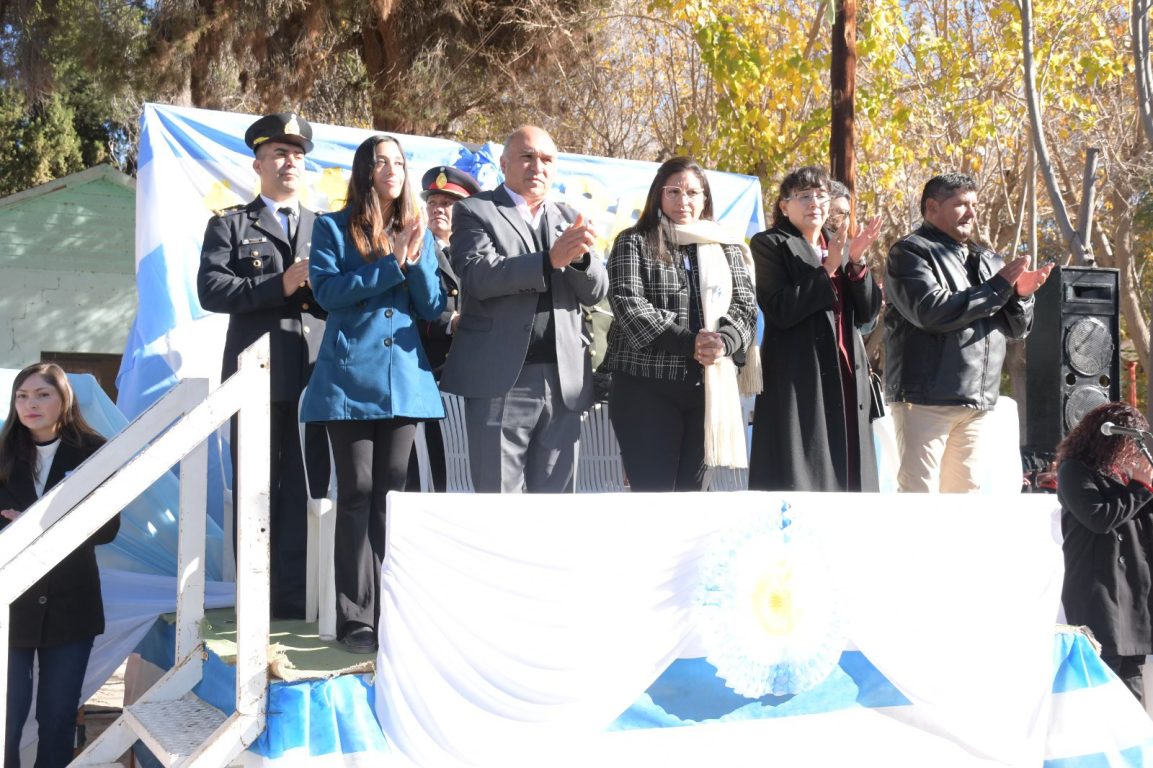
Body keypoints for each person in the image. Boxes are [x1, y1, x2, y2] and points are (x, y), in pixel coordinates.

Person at [301, 134, 444, 654]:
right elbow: (327, 293)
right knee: (357, 489)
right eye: (381, 161)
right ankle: (356, 617)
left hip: (403, 380)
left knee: (393, 494)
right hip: (348, 380)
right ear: (364, 170)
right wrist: (391, 263)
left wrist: (417, 254)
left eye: (399, 162)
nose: (392, 170)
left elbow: (431, 306)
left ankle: (396, 611)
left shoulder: (418, 229)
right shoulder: (332, 227)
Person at [196, 112, 328, 619]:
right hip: (256, 379)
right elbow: (212, 290)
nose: (289, 162)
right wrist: (280, 284)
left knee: (303, 489)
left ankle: (295, 602)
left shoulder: (326, 227)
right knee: (257, 490)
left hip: (314, 379)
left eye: (297, 154)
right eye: (278, 153)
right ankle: (255, 599)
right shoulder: (230, 224)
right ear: (258, 164)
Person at [440, 126, 608, 493]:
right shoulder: (475, 210)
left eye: (547, 159)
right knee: (500, 505)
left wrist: (579, 261)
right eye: (527, 157)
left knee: (555, 506)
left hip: (563, 381)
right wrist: (549, 260)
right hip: (501, 380)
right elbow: (479, 276)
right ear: (504, 164)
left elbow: (595, 292)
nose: (538, 167)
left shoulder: (568, 216)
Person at [884, 172, 1052, 492]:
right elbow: (930, 311)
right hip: (925, 399)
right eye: (961, 204)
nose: (972, 213)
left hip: (976, 401)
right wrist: (998, 287)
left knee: (964, 499)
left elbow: (1015, 330)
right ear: (932, 207)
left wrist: (1022, 296)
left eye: (975, 204)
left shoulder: (987, 259)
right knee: (918, 496)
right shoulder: (909, 252)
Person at [601, 156, 758, 491]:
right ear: (658, 195)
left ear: (705, 199)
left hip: (707, 390)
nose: (683, 201)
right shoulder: (633, 241)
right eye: (673, 192)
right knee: (654, 497)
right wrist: (691, 343)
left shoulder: (726, 246)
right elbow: (629, 304)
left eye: (692, 193)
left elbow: (746, 307)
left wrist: (724, 342)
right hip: (645, 389)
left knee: (694, 499)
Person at [1, 363, 117, 768]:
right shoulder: (2, 451)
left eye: (42, 394)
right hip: (10, 605)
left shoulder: (95, 449)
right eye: (22, 396)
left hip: (72, 604)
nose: (30, 404)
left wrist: (41, 523)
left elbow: (108, 529)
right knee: (5, 720)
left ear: (64, 399)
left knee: (57, 719)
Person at [748, 166, 883, 492]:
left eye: (821, 196)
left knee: (852, 470)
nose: (814, 203)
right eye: (804, 196)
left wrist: (856, 262)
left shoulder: (840, 243)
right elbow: (779, 309)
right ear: (784, 206)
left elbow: (867, 314)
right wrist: (829, 268)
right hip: (801, 374)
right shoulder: (771, 244)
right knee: (807, 470)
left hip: (846, 371)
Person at [1056, 402, 1153, 704]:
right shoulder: (1074, 470)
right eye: (1126, 442)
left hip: (1133, 586)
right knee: (1102, 671)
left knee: (1132, 674)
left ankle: (1135, 734)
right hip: (1097, 585)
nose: (1132, 450)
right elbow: (1099, 518)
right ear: (1105, 439)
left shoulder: (1126, 474)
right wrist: (1140, 488)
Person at [406, 165, 481, 492]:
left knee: (474, 460)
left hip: (475, 371)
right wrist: (451, 322)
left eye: (447, 204)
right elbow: (410, 302)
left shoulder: (478, 248)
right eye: (433, 203)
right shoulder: (416, 247)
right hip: (430, 368)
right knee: (435, 464)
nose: (438, 209)